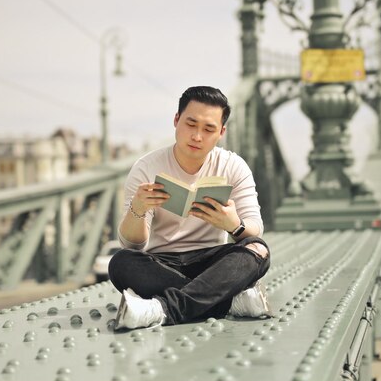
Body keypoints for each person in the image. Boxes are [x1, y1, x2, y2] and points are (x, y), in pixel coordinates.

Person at [108, 85, 271, 330]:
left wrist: (234, 226)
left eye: (208, 129)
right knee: (121, 263)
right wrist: (138, 209)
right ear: (176, 120)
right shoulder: (146, 167)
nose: (197, 136)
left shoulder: (233, 166)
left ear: (222, 132)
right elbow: (133, 245)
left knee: (258, 249)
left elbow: (255, 228)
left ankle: (162, 309)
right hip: (162, 263)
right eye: (190, 124)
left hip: (213, 261)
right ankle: (226, 302)